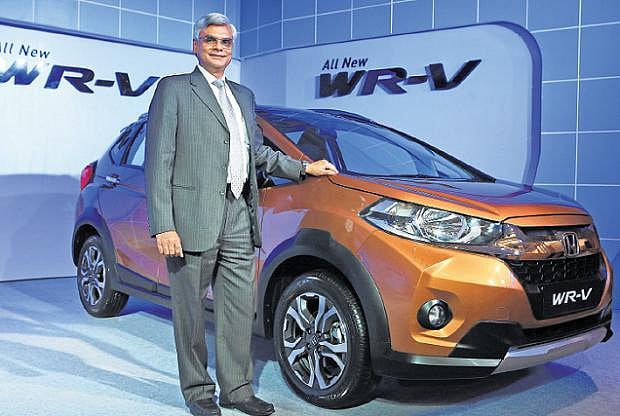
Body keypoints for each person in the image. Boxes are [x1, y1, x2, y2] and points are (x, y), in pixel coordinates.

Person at [145, 12, 338, 416]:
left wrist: (304, 168)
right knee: (190, 312)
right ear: (196, 45)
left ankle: (236, 389)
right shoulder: (174, 89)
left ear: (232, 48)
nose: (219, 47)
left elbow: (258, 154)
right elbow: (158, 160)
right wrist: (164, 224)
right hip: (191, 217)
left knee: (236, 309)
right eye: (210, 40)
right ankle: (198, 390)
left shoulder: (243, 96)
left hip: (238, 213)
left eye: (226, 42)